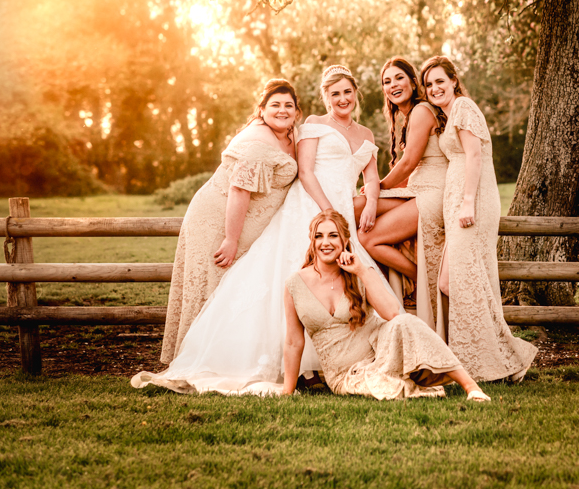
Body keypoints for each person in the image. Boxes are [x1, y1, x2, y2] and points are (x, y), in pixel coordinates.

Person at [133, 65, 393, 394]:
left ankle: (330, 361)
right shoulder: (309, 127)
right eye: (334, 93)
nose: (342, 98)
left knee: (339, 279)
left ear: (357, 94)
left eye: (347, 92)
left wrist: (369, 202)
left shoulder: (361, 135)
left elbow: (370, 176)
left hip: (340, 211)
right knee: (287, 275)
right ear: (324, 98)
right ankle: (290, 366)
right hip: (313, 205)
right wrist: (328, 210)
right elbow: (305, 173)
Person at [281, 210, 490, 401]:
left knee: (406, 321)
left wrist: (361, 271)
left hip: (383, 351)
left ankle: (471, 387)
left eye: (333, 235)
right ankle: (407, 380)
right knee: (386, 387)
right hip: (345, 374)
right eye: (319, 236)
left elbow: (392, 313)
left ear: (345, 240)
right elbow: (293, 342)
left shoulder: (361, 272)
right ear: (312, 240)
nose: (325, 242)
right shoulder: (295, 284)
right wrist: (287, 392)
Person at [161, 78, 300, 363]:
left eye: (288, 105)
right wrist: (231, 239)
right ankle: (200, 359)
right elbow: (239, 189)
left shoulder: (289, 134)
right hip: (217, 220)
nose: (282, 110)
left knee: (232, 286)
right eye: (275, 105)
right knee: (213, 284)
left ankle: (228, 356)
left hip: (240, 222)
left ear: (297, 111)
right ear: (261, 110)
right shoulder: (258, 142)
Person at [420, 56, 538, 382]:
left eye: (440, 81)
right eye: (429, 85)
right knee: (452, 281)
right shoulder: (449, 114)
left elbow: (474, 155)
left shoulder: (463, 107)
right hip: (458, 202)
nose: (434, 89)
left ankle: (492, 361)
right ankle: (497, 355)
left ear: (454, 80)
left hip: (473, 203)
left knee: (462, 280)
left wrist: (468, 202)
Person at [356, 57, 446, 327]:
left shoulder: (421, 110)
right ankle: (367, 293)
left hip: (434, 193)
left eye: (399, 78)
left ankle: (420, 280)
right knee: (357, 206)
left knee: (368, 237)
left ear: (413, 81)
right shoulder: (405, 117)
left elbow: (407, 163)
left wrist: (378, 186)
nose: (393, 85)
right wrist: (373, 193)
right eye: (387, 81)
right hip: (418, 190)